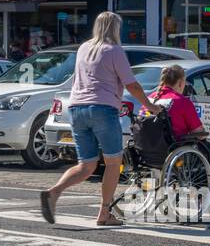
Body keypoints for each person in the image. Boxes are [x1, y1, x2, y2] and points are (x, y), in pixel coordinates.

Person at [40, 12, 159, 227]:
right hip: (102, 109)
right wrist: (149, 105)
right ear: (115, 28)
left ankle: (53, 192)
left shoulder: (84, 48)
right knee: (114, 163)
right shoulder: (114, 50)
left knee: (86, 165)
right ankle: (104, 213)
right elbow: (131, 84)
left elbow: (85, 79)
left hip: (76, 109)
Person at [148, 64, 206, 140]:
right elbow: (199, 133)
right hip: (172, 147)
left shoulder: (149, 99)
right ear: (180, 82)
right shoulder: (182, 102)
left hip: (146, 146)